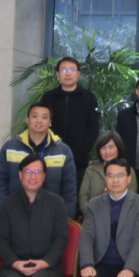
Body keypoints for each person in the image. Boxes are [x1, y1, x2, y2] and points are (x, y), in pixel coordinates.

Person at [0, 101, 76, 217]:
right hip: (15, 214)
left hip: (51, 215)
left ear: (50, 122)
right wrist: (1, 211)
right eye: (35, 116)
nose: (39, 120)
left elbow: (69, 189)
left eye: (44, 117)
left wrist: (64, 217)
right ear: (27, 120)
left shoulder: (63, 151)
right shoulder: (10, 148)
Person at [41, 56, 100, 193]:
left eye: (72, 70)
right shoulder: (48, 97)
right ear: (57, 74)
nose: (68, 73)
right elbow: (41, 125)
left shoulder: (88, 97)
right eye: (63, 70)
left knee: (74, 198)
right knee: (50, 197)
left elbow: (93, 128)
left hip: (78, 161)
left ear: (78, 73)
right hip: (50, 159)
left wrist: (82, 150)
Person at [79, 131, 138, 214]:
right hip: (93, 217)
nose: (107, 152)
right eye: (103, 148)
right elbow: (83, 197)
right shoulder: (91, 169)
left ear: (118, 148)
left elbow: (130, 200)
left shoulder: (128, 170)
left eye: (111, 147)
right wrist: (92, 215)